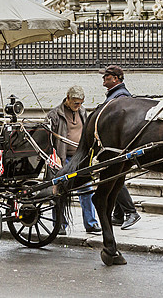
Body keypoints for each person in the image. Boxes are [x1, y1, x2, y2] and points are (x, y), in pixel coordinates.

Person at [47, 85, 100, 235]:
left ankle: (91, 223)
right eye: (76, 103)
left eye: (81, 103)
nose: (78, 106)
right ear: (68, 99)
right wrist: (53, 156)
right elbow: (47, 138)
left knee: (87, 189)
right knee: (60, 191)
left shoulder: (83, 112)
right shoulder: (55, 115)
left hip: (80, 157)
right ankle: (60, 224)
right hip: (62, 158)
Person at [100, 65, 141, 230]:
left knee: (113, 177)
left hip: (117, 144)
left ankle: (131, 211)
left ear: (115, 78)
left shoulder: (120, 96)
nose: (103, 79)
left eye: (106, 76)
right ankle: (118, 214)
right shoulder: (116, 94)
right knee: (114, 177)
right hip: (116, 144)